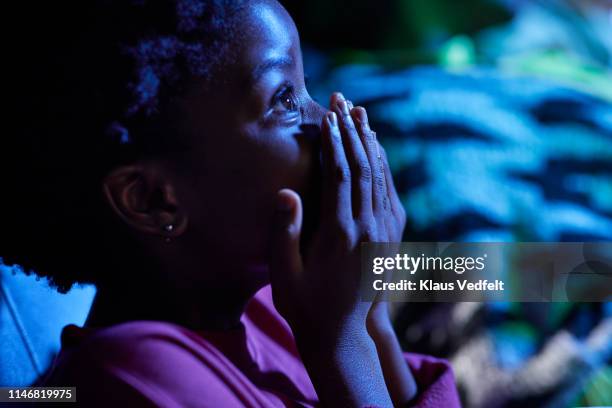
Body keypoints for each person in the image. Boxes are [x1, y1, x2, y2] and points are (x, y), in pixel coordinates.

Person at [2, 1, 461, 406]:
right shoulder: (131, 373)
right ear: (153, 200)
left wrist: (370, 319)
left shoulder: (271, 301)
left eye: (307, 88)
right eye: (285, 98)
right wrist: (340, 344)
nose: (330, 122)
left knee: (505, 275)